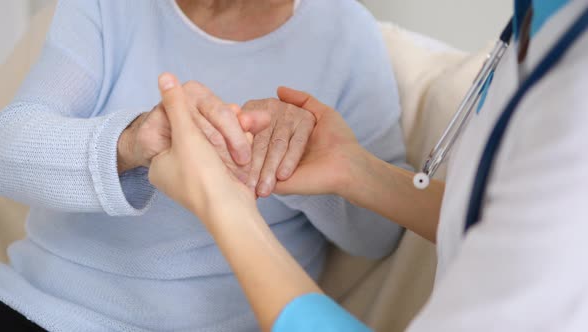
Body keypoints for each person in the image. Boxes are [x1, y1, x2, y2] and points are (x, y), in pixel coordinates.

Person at [145, 0, 588, 331]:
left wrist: (226, 208)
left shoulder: (576, 110)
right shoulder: (548, 19)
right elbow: (511, 217)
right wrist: (356, 170)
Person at [0, 0, 408, 331]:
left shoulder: (348, 35)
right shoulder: (109, 8)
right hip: (32, 304)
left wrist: (289, 170)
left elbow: (380, 235)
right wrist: (132, 140)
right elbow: (7, 151)